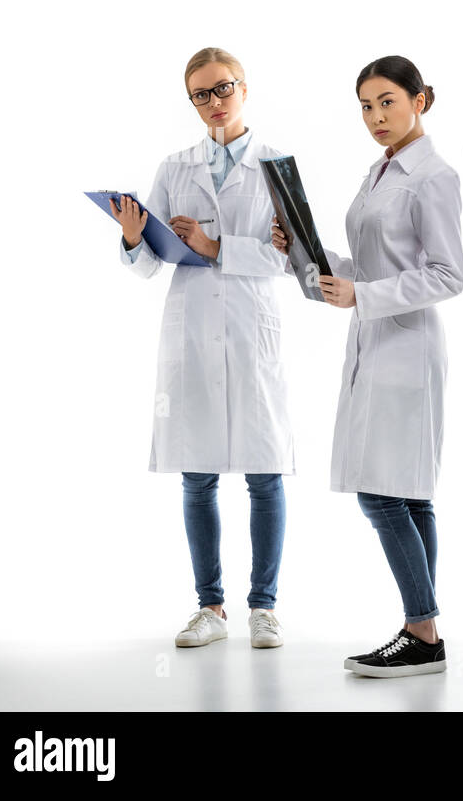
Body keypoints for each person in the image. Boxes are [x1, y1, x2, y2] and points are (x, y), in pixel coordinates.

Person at [274, 56, 463, 676]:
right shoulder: (379, 172)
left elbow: (447, 275)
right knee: (407, 496)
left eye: (387, 101)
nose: (376, 117)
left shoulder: (431, 176)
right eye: (365, 106)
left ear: (421, 100)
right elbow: (365, 268)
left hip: (407, 348)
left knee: (384, 494)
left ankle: (422, 631)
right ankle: (425, 631)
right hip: (373, 342)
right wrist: (302, 251)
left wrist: (366, 297)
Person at [111, 47, 294, 649]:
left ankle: (263, 607)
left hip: (251, 329)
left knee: (265, 475)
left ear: (245, 88)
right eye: (200, 95)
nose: (213, 103)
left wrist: (217, 249)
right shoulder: (175, 166)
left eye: (222, 89)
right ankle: (209, 609)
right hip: (191, 331)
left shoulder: (277, 167)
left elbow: (290, 257)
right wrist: (136, 238)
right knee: (198, 477)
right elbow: (149, 266)